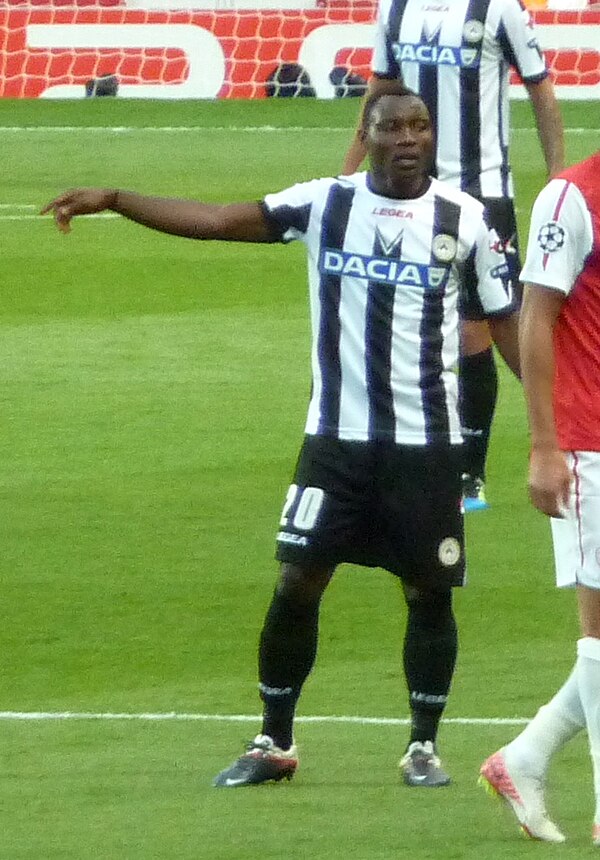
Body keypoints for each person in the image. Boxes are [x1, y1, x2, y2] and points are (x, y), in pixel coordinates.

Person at [42, 84, 520, 789]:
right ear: (370, 134)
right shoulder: (325, 202)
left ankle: (423, 747)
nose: (410, 139)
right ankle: (275, 741)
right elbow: (215, 219)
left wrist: (558, 420)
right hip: (335, 441)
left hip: (426, 442)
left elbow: (507, 323)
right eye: (394, 128)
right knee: (299, 581)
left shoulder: (467, 220)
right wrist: (116, 197)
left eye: (421, 126)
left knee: (428, 592)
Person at [342, 0, 564, 511]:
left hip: (483, 194)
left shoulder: (499, 9)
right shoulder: (395, 9)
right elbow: (379, 92)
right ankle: (403, 447)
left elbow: (541, 88)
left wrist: (558, 176)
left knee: (477, 327)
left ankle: (472, 472)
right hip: (410, 192)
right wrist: (349, 171)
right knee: (408, 322)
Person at [479, 149, 600, 844]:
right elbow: (535, 316)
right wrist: (544, 444)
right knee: (599, 631)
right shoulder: (571, 197)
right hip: (589, 442)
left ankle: (522, 758)